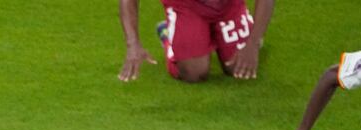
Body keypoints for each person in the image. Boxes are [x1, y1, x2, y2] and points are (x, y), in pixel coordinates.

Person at [117, 0, 274, 83]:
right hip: (186, 5)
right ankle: (167, 34)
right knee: (194, 73)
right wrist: (133, 44)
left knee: (237, 68)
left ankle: (232, 29)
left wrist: (253, 44)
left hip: (228, 5)